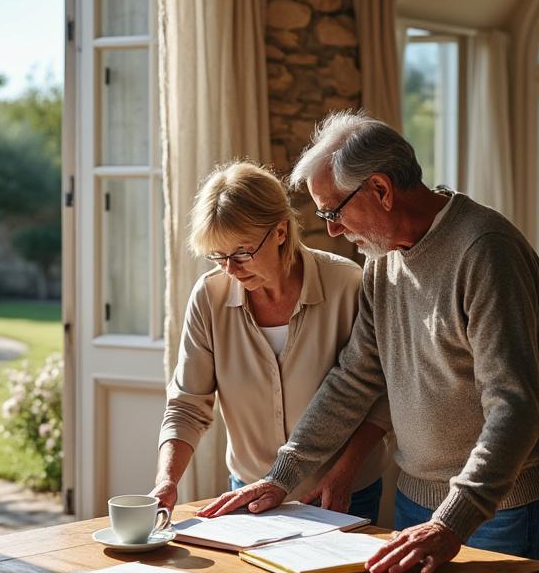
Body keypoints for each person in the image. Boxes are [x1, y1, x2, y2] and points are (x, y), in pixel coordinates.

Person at [200, 113, 539, 573]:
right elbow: (354, 380)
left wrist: (454, 519)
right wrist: (284, 475)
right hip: (418, 493)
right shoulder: (383, 262)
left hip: (504, 502)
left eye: (332, 210)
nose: (332, 230)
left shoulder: (485, 251)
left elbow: (516, 407)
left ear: (380, 189)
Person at [150, 161, 391, 524]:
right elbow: (187, 404)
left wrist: (344, 474)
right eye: (218, 255)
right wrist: (166, 481)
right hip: (249, 491)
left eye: (241, 252)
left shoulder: (348, 286)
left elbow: (380, 395)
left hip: (339, 489)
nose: (229, 268)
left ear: (280, 231)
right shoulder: (209, 298)